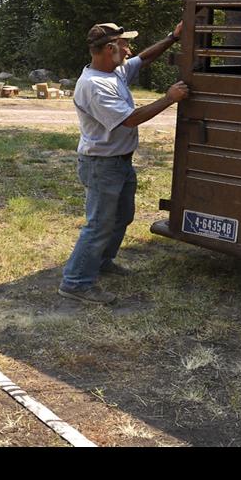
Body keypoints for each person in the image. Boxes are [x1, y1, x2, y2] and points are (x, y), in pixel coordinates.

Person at [56, 21, 190, 305]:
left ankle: (101, 261)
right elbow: (128, 120)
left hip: (118, 162)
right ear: (109, 48)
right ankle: (76, 282)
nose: (130, 50)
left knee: (122, 216)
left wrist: (172, 37)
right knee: (99, 224)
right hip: (102, 165)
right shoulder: (94, 85)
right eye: (124, 44)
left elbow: (145, 59)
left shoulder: (113, 71)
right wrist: (169, 98)